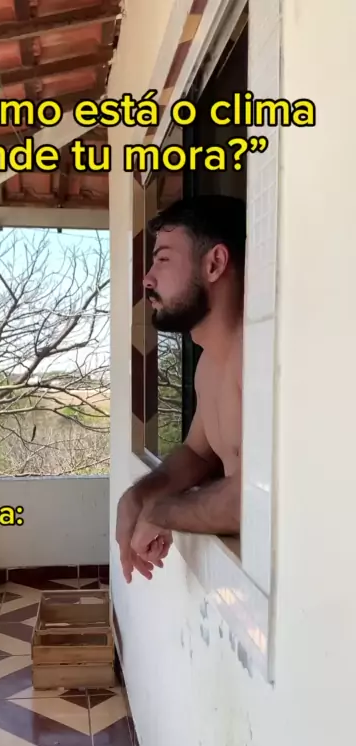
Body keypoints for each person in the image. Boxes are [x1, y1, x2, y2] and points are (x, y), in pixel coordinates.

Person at [116, 194, 246, 583]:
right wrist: (141, 495)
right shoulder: (211, 364)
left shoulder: (264, 359)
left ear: (214, 264)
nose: (147, 279)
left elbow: (267, 498)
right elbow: (198, 452)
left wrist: (165, 512)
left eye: (163, 259)